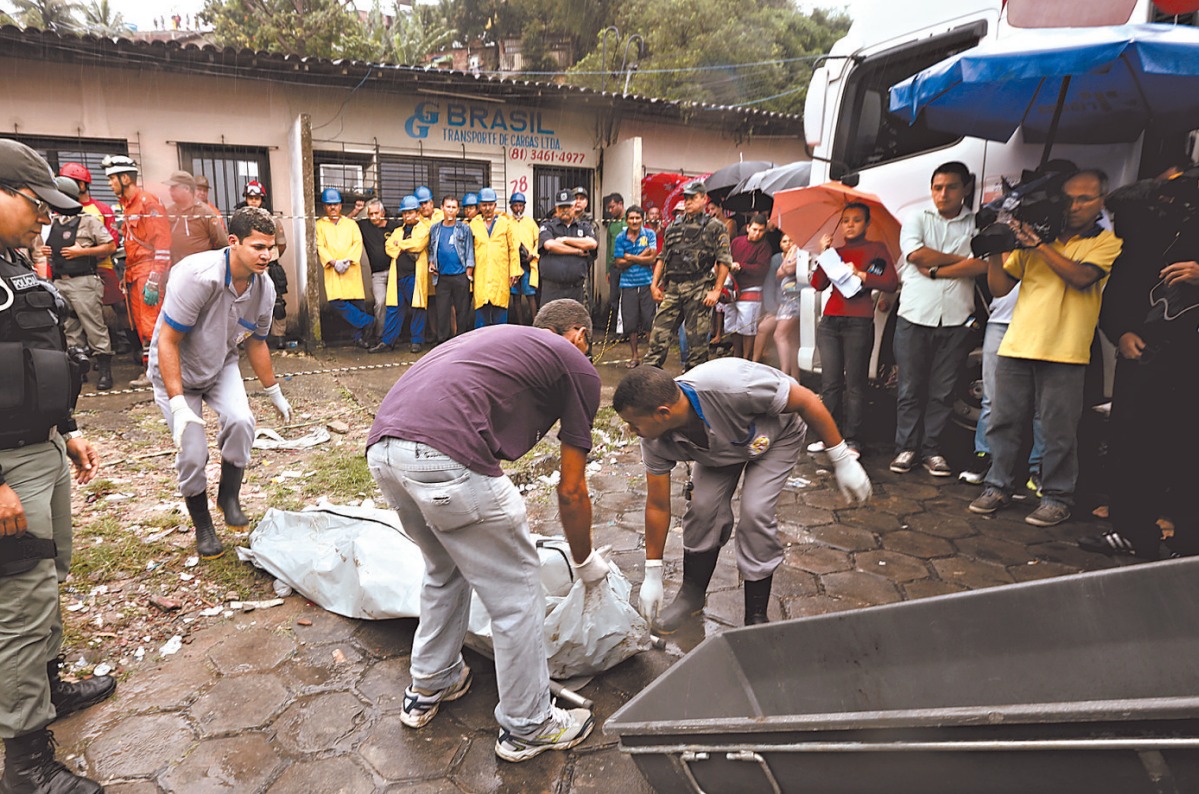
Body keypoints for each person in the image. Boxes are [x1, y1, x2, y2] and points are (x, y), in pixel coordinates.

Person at [366, 299, 603, 762]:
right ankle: (527, 725)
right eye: (587, 344)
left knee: (443, 568)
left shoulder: (501, 341)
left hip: (384, 449)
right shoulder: (575, 364)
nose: (586, 353)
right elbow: (571, 489)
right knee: (516, 595)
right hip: (444, 455)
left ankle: (431, 684)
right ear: (578, 334)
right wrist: (586, 562)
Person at [1, 139, 112, 794]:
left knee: (46, 581)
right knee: (18, 601)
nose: (45, 217)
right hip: (6, 468)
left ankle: (49, 689)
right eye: (33, 203)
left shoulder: (14, 261)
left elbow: (32, 361)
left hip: (39, 447)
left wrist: (66, 431)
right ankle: (26, 766)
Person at [613, 360, 872, 632]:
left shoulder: (734, 386)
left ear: (663, 413)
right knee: (702, 509)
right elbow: (657, 505)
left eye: (633, 423)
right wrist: (652, 572)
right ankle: (691, 598)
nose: (631, 431)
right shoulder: (653, 440)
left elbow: (806, 399)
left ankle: (756, 614)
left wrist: (841, 457)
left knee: (756, 512)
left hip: (776, 437)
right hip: (719, 450)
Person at [970, 170, 1122, 527]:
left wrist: (1039, 244)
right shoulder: (1034, 242)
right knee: (1003, 422)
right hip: (1017, 343)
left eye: (1085, 198)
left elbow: (1082, 277)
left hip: (1065, 350)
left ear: (1102, 201)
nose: (1074, 206)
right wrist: (995, 248)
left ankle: (1057, 496)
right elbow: (999, 288)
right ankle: (998, 486)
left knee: (1058, 429)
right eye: (1067, 199)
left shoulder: (1107, 243)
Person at [150, 207, 292, 560]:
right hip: (178, 369)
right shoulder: (198, 277)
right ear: (233, 242)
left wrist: (273, 390)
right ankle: (202, 524)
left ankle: (228, 495)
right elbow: (168, 341)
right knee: (193, 452)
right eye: (258, 247)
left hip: (220, 364)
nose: (267, 255)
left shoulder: (265, 287)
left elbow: (257, 342)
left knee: (243, 421)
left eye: (270, 247)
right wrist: (179, 403)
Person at [1079, 166, 1198, 558]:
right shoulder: (1139, 242)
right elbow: (1115, 298)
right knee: (1130, 447)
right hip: (1143, 363)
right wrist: (1122, 334)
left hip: (1190, 363)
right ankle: (1132, 532)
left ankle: (1189, 542)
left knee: (1187, 451)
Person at [891, 161, 986, 477]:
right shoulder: (916, 218)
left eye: (951, 187)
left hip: (957, 318)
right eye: (937, 187)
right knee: (909, 387)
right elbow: (916, 255)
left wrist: (936, 269)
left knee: (942, 391)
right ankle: (906, 448)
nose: (943, 194)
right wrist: (963, 262)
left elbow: (984, 266)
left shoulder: (976, 225)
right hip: (915, 316)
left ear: (966, 188)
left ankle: (932, 450)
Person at [810, 203, 898, 455]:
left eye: (856, 220)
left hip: (858, 321)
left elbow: (890, 282)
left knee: (856, 383)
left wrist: (860, 273)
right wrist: (823, 254)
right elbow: (818, 284)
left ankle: (853, 440)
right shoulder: (834, 252)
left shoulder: (876, 249)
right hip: (830, 322)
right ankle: (829, 437)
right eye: (846, 220)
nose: (850, 224)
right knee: (830, 382)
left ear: (866, 224)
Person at [643, 180, 732, 371]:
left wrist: (716, 291)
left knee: (697, 345)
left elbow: (724, 260)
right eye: (686, 198)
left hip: (699, 286)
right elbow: (662, 257)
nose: (688, 202)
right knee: (658, 336)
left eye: (693, 198)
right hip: (673, 287)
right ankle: (648, 380)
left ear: (703, 199)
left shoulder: (715, 227)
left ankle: (694, 388)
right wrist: (654, 284)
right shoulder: (673, 227)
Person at [42, 176, 118, 391]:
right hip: (60, 281)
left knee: (94, 327)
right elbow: (39, 247)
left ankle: (104, 371)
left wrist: (82, 252)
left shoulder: (88, 220)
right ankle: (78, 369)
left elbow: (110, 245)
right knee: (69, 328)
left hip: (83, 280)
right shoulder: (52, 222)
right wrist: (46, 251)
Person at [104, 154, 172, 388]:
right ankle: (152, 372)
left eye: (112, 178)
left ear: (125, 177)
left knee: (152, 324)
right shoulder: (128, 205)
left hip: (148, 271)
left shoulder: (147, 202)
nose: (110, 184)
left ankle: (160, 374)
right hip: (134, 272)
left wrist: (155, 279)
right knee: (141, 327)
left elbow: (163, 244)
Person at [59, 163, 125, 357]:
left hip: (101, 267)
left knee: (119, 305)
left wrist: (86, 253)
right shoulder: (59, 209)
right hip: (67, 272)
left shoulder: (100, 209)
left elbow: (112, 239)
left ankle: (130, 344)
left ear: (81, 184)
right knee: (74, 318)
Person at [315, 187, 374, 348]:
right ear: (324, 206)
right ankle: (368, 321)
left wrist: (347, 261)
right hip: (333, 270)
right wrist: (334, 262)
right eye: (329, 205)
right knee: (336, 302)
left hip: (351, 269)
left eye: (335, 204)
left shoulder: (350, 224)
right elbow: (320, 246)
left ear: (340, 206)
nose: (332, 208)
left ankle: (359, 338)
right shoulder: (320, 225)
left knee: (357, 304)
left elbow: (357, 242)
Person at [375, 195, 430, 354]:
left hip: (414, 275)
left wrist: (400, 245)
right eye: (404, 213)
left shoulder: (423, 229)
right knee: (393, 308)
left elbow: (418, 244)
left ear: (418, 213)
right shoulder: (398, 231)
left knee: (417, 309)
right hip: (397, 276)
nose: (407, 216)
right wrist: (404, 246)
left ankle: (417, 341)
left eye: (410, 212)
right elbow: (388, 247)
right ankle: (388, 341)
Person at [238, 181, 290, 348]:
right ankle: (244, 337)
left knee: (278, 303)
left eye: (257, 198)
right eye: (250, 197)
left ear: (262, 199)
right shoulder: (239, 220)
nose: (254, 201)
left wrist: (269, 258)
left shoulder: (272, 220)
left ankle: (279, 335)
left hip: (269, 267)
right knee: (246, 303)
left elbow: (281, 244)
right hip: (246, 268)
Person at [469, 187, 522, 327]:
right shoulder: (474, 224)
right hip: (481, 274)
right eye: (484, 205)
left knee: (500, 314)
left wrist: (514, 271)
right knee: (481, 315)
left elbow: (513, 248)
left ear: (495, 205)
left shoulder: (505, 223)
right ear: (479, 206)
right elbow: (468, 250)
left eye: (490, 204)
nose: (488, 208)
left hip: (500, 273)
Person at [612, 205, 657, 367]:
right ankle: (635, 356)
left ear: (642, 220)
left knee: (649, 322)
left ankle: (652, 357)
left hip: (646, 283)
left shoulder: (649, 234)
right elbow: (619, 263)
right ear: (626, 220)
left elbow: (653, 258)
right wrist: (641, 256)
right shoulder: (620, 237)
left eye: (637, 218)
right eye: (631, 218)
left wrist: (630, 256)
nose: (634, 221)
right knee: (630, 324)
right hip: (627, 285)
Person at [725, 213, 774, 360]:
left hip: (752, 288)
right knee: (731, 323)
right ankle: (736, 354)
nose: (757, 233)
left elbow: (761, 269)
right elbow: (727, 257)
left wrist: (741, 267)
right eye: (754, 229)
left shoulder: (765, 247)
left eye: (760, 230)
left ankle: (746, 357)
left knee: (748, 327)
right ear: (748, 228)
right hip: (732, 286)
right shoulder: (736, 242)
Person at [427, 195, 475, 343]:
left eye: (454, 207)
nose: (450, 210)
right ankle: (443, 342)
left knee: (462, 312)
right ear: (442, 208)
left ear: (458, 210)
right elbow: (431, 249)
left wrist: (468, 273)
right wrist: (431, 263)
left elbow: (469, 251)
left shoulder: (464, 229)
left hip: (460, 276)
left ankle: (461, 343)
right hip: (442, 277)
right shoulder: (435, 228)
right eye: (448, 207)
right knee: (442, 312)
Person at [537, 190, 597, 305]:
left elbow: (592, 243)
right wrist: (577, 251)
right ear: (556, 208)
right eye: (561, 207)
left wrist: (564, 240)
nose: (565, 210)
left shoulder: (584, 226)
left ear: (574, 206)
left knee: (575, 323)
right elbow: (549, 245)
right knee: (550, 322)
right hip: (552, 290)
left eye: (568, 206)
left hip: (575, 291)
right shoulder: (548, 225)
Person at [357, 198, 400, 339]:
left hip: (395, 272)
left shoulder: (394, 226)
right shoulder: (365, 226)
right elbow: (344, 223)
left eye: (376, 213)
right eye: (370, 214)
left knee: (396, 304)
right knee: (380, 302)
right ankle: (380, 336)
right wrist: (356, 211)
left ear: (383, 212)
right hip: (377, 274)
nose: (374, 217)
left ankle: (393, 336)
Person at [165, 170, 225, 265]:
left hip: (200, 270)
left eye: (174, 187)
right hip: (175, 269)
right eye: (199, 189)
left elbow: (222, 243)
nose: (170, 191)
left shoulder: (206, 212)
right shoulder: (169, 212)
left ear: (186, 189)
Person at [506, 192, 539, 325]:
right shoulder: (507, 223)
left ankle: (536, 324)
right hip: (513, 265)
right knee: (516, 297)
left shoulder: (530, 223)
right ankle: (520, 325)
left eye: (521, 205)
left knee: (530, 295)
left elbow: (538, 241)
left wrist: (533, 254)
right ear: (511, 207)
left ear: (524, 207)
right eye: (515, 206)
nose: (518, 208)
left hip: (528, 264)